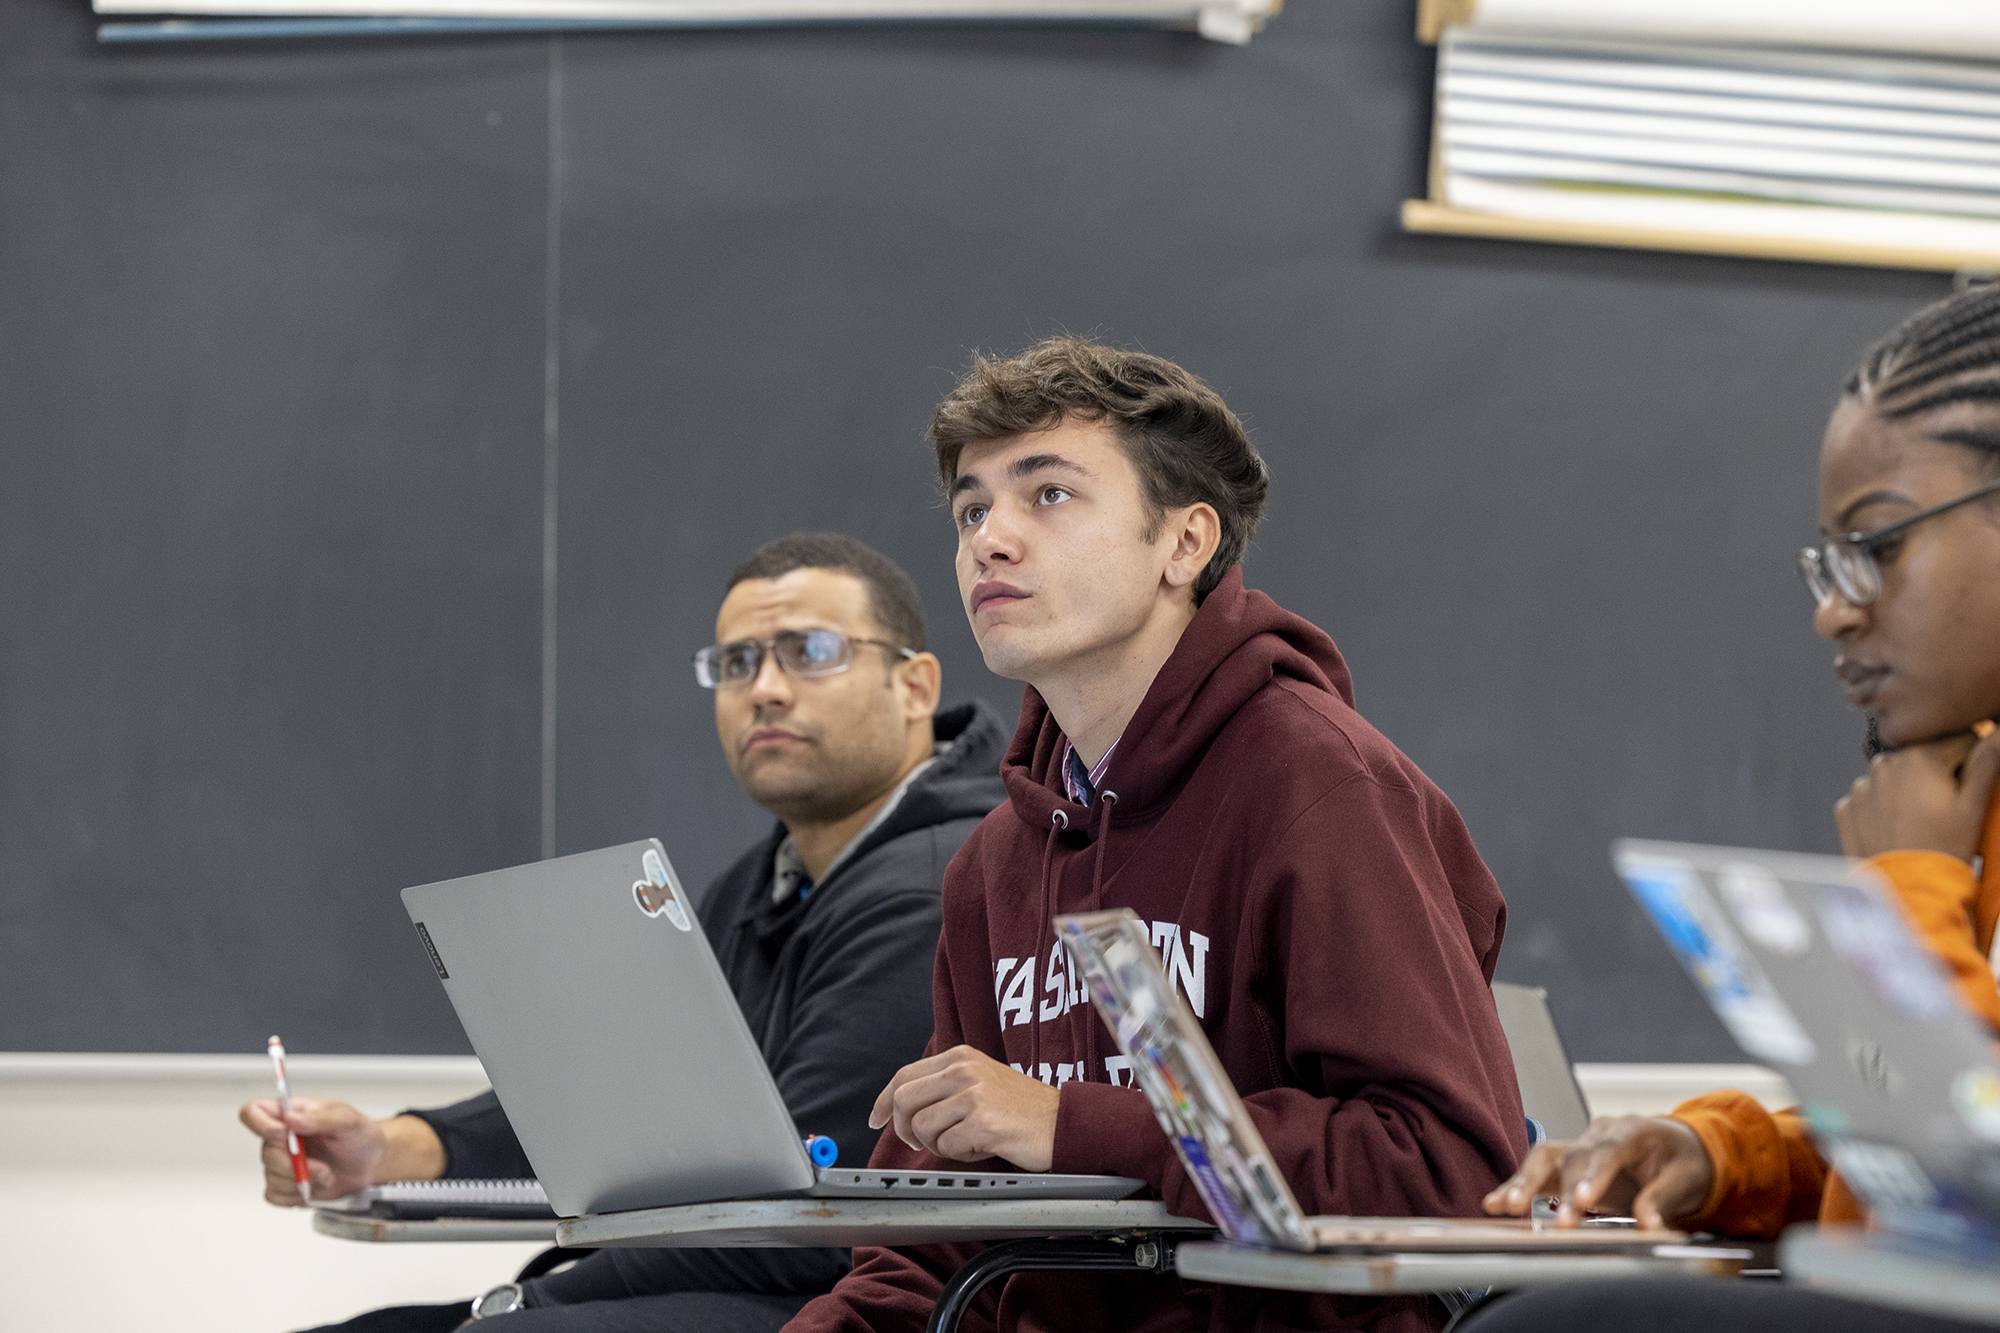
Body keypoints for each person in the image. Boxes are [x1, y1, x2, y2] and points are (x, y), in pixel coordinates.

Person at [783, 338, 1527, 1333]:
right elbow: (928, 1255)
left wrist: (1071, 1125)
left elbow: (1445, 1170)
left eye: (1047, 494)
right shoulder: (993, 865)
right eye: (971, 510)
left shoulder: (1319, 789)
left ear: (1183, 543)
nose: (989, 540)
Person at [239, 532, 1010, 1333]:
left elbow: (792, 1216)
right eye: (737, 662)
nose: (766, 689)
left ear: (914, 685)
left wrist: (525, 1302)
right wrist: (397, 1146)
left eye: (810, 651)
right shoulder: (763, 881)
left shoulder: (931, 886)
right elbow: (622, 1110)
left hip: (840, 1302)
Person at [1470, 285, 2000, 1329]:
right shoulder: (1968, 796)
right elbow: (1941, 1146)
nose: (1833, 611)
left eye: (1877, 546)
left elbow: (1970, 1203)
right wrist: (1723, 1153)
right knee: (1528, 1299)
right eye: (1828, 563)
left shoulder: (1928, 837)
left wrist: (1902, 901)